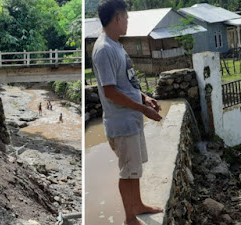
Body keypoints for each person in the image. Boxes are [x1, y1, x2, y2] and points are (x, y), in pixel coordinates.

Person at [92, 0, 163, 224]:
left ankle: (138, 205)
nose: (128, 22)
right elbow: (110, 91)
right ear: (118, 18)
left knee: (135, 169)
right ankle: (129, 218)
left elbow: (126, 83)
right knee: (127, 172)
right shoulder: (104, 49)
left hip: (131, 119)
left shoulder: (116, 45)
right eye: (127, 17)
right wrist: (144, 110)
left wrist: (145, 97)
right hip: (121, 123)